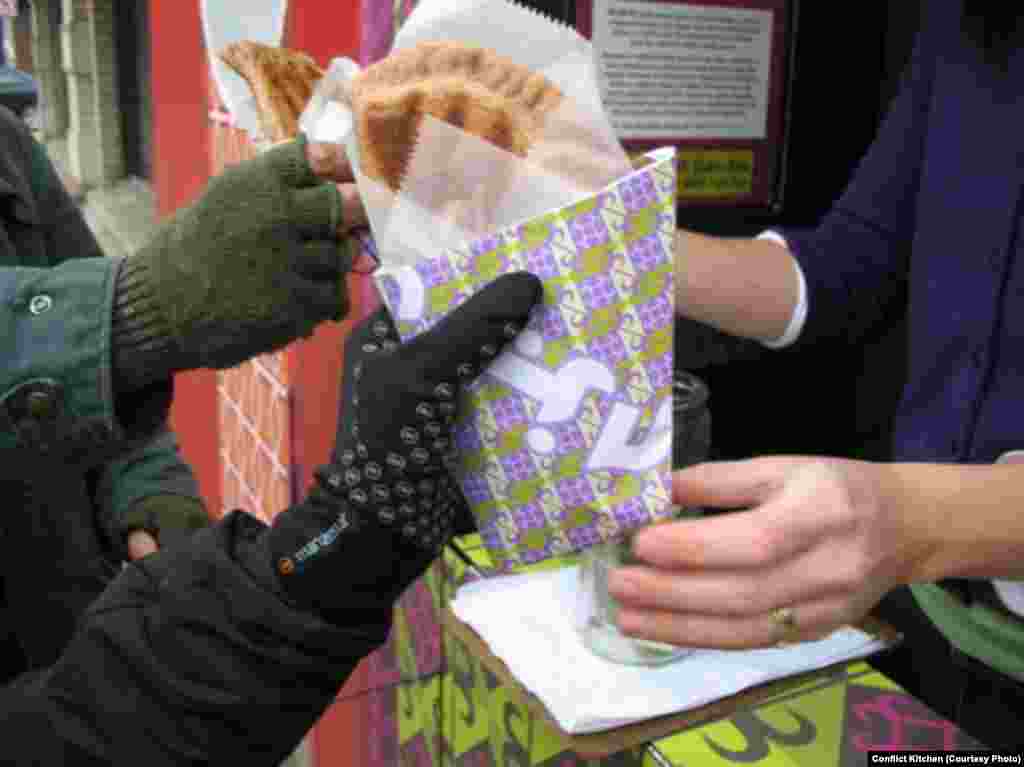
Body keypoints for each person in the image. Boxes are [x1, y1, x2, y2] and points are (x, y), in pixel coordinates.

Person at [0, 101, 545, 763]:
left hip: (96, 624)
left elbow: (86, 371)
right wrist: (144, 306)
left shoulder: (4, 136)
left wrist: (145, 485)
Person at [607, 0, 1024, 750]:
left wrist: (917, 519)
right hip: (927, 625)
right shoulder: (964, 27)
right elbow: (845, 267)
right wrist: (607, 238)